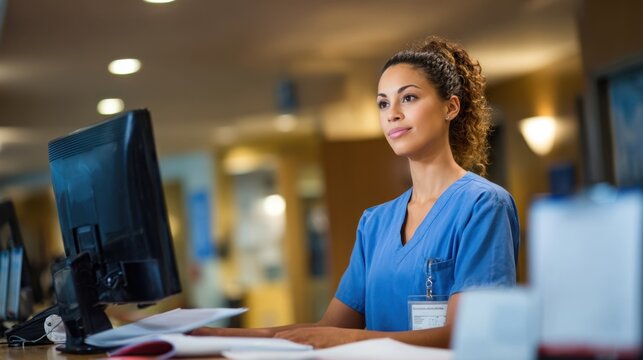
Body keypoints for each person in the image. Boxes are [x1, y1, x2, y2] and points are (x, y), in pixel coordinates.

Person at [191, 35, 519, 349]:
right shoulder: (375, 223)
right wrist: (217, 335)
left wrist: (351, 340)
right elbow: (326, 331)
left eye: (409, 98)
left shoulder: (483, 206)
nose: (392, 113)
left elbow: (469, 335)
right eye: (382, 103)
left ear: (451, 107)